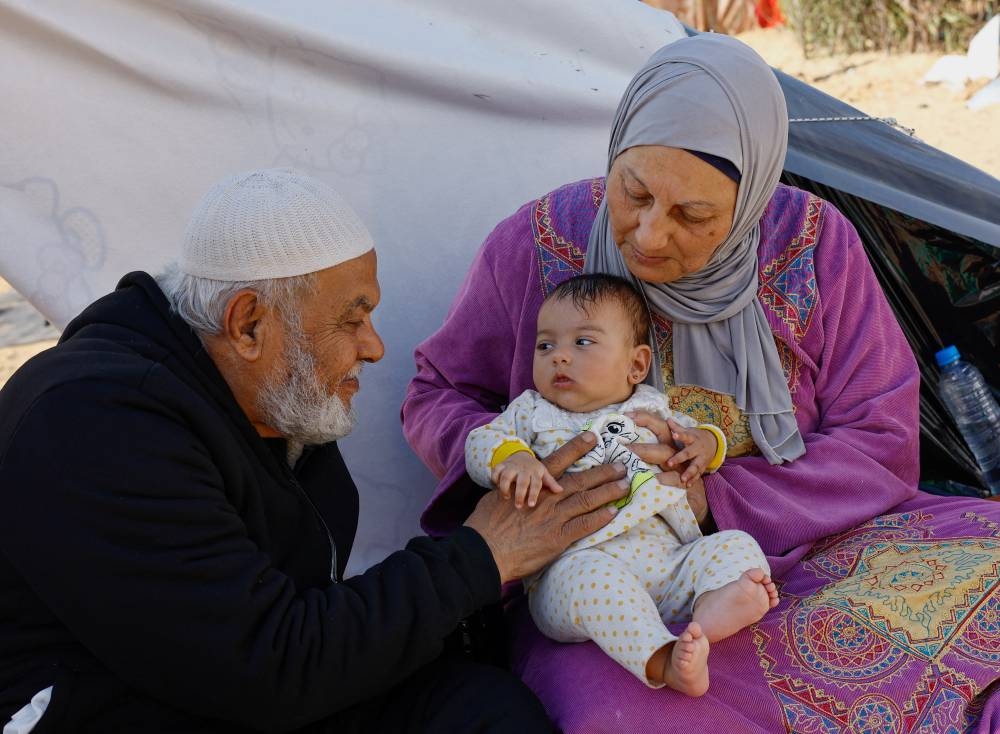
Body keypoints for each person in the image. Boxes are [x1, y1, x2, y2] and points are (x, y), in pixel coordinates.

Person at [403, 33, 1000, 731]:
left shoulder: (812, 243)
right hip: (610, 581)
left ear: (749, 202)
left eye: (694, 216)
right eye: (634, 193)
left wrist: (712, 493)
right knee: (617, 715)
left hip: (815, 551)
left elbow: (881, 435)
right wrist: (517, 466)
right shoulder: (536, 245)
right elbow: (437, 392)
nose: (650, 236)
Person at [0, 168, 632, 733]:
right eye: (351, 319)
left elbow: (305, 618)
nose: (375, 346)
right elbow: (265, 663)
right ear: (248, 324)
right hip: (134, 703)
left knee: (481, 708)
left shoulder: (267, 395)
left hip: (251, 686)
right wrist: (483, 555)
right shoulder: (96, 422)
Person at [465, 273, 779, 696]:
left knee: (734, 545)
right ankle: (662, 658)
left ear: (636, 364)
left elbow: (696, 435)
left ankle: (713, 609)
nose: (559, 357)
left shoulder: (649, 405)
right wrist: (514, 459)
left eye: (582, 342)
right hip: (574, 566)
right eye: (546, 345)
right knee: (591, 579)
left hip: (669, 566)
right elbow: (481, 441)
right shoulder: (531, 412)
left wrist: (706, 443)